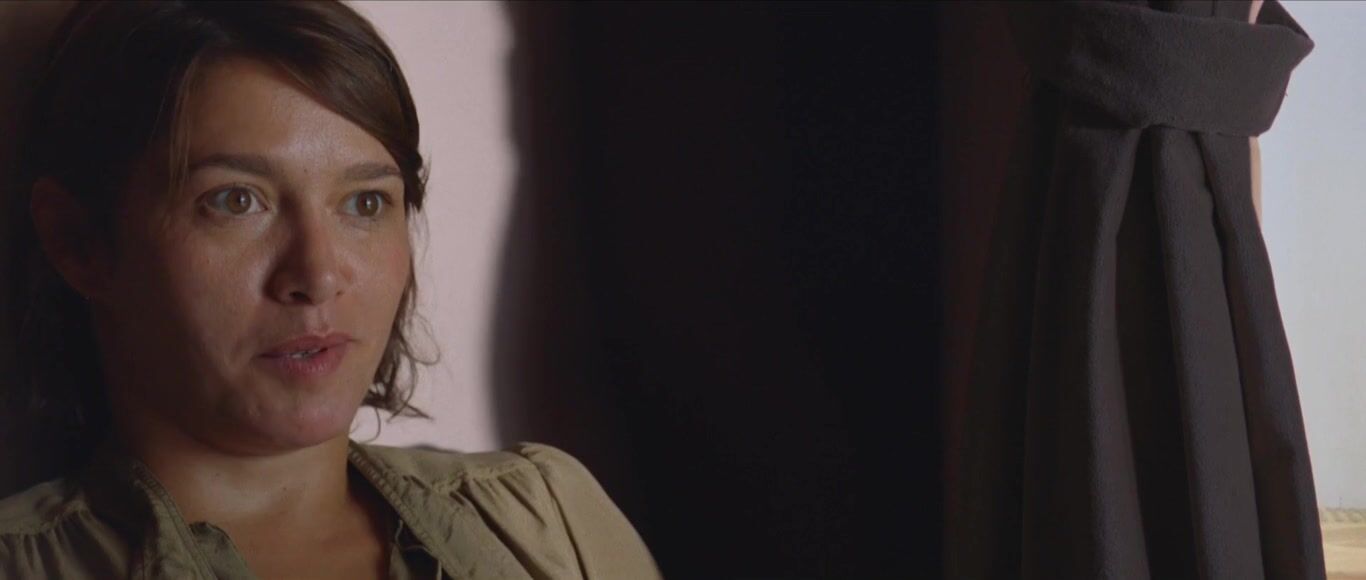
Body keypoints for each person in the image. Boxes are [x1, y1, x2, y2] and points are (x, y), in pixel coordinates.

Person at [0, 1, 660, 578]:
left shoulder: (545, 520)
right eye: (235, 201)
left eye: (366, 202)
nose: (317, 276)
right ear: (78, 242)